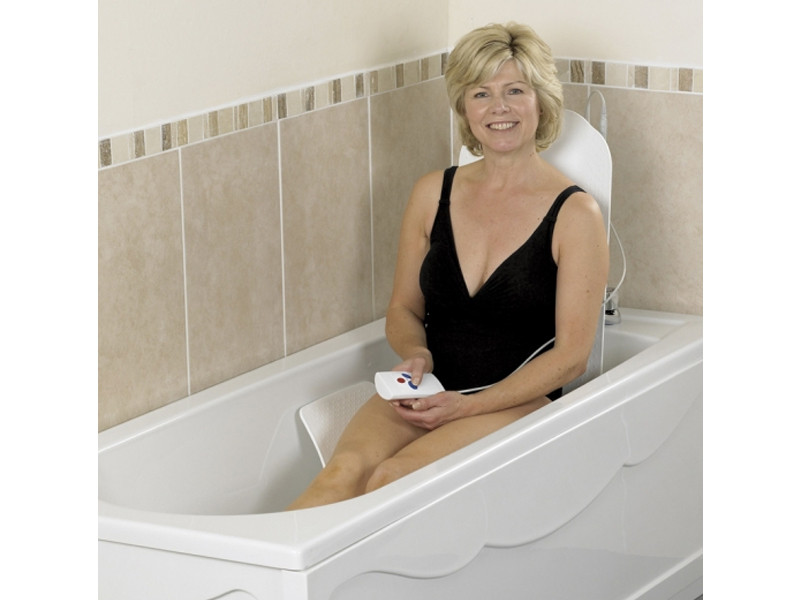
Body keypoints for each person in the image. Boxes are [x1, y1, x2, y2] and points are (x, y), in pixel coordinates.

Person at [287, 22, 609, 510]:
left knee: (392, 479)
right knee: (342, 473)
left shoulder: (575, 214)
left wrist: (467, 406)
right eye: (481, 93)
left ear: (541, 102)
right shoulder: (431, 192)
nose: (498, 108)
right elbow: (403, 309)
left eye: (515, 90)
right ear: (464, 108)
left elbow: (571, 357)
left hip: (516, 403)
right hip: (431, 387)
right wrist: (417, 353)